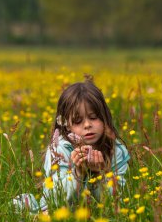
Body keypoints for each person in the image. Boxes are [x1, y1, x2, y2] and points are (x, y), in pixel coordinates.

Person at [13, 75, 130, 214]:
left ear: (105, 117)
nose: (87, 125)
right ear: (66, 124)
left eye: (93, 118)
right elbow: (55, 198)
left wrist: (99, 175)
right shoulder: (59, 149)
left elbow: (117, 200)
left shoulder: (116, 151)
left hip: (97, 213)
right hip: (61, 209)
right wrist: (78, 173)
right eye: (77, 121)